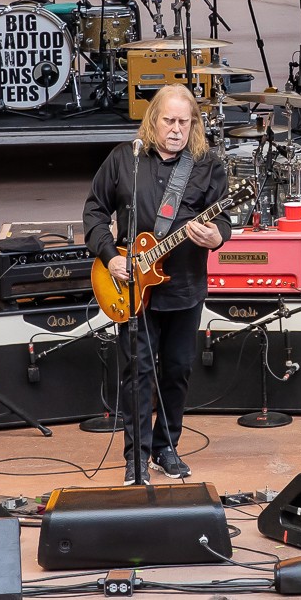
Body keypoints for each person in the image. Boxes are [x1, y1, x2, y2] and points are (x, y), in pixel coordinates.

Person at [82, 85, 227, 486]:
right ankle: (136, 458)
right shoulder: (124, 159)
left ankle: (166, 447)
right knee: (139, 372)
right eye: (169, 121)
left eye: (185, 122)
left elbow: (223, 220)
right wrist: (110, 256)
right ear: (153, 120)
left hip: (184, 287)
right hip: (132, 290)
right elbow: (94, 211)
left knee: (178, 370)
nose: (177, 129)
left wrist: (217, 236)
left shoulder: (206, 166)